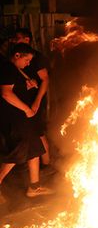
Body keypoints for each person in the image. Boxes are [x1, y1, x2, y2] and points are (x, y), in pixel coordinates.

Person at [0, 43, 55, 203]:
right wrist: (27, 109)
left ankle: (34, 187)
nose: (28, 63)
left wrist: (28, 84)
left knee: (34, 149)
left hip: (23, 119)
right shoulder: (7, 68)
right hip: (15, 119)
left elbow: (14, 88)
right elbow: (6, 93)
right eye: (27, 60)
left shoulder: (14, 69)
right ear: (17, 55)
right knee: (18, 153)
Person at [11, 28, 52, 166]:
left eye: (17, 38)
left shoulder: (37, 58)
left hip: (34, 102)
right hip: (22, 103)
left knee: (38, 133)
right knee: (31, 134)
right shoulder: (13, 57)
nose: (14, 41)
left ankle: (46, 164)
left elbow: (45, 80)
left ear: (27, 40)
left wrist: (36, 103)